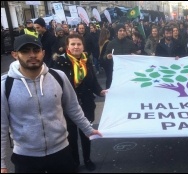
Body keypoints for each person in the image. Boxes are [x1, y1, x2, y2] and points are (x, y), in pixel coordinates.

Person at [1, 35, 102, 173]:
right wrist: (2, 163)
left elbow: (73, 107)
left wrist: (88, 129)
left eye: (36, 50)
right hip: (26, 157)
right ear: (14, 54)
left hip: (61, 152)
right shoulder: (5, 85)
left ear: (42, 53)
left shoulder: (58, 77)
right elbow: (2, 125)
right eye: (25, 51)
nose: (32, 55)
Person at [52, 34, 108, 171]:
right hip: (67, 106)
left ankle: (88, 159)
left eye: (78, 44)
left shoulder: (86, 61)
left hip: (86, 103)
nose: (76, 47)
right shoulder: (59, 63)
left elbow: (93, 80)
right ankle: (75, 162)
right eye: (73, 44)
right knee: (70, 135)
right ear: (67, 47)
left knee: (87, 133)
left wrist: (100, 91)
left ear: (83, 46)